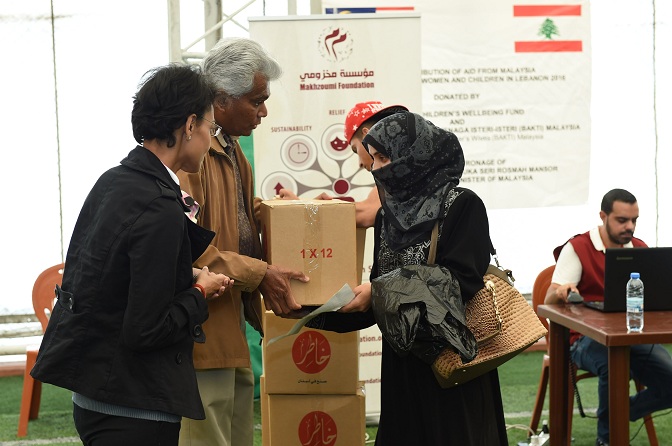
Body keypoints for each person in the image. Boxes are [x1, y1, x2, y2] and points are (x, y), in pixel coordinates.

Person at [30, 64, 233, 445]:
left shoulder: (113, 181)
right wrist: (200, 292)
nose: (211, 139)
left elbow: (109, 272)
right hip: (134, 408)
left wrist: (184, 273)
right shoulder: (160, 208)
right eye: (211, 126)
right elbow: (146, 329)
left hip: (93, 393)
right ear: (190, 125)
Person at [304, 111, 508, 445]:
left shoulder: (462, 206)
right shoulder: (387, 218)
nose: (376, 168)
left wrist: (380, 291)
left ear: (415, 155)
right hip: (403, 370)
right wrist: (309, 310)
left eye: (384, 158)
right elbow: (375, 301)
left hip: (454, 365)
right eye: (374, 158)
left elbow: (459, 282)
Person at [176, 37, 309, 446]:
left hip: (231, 321)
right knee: (207, 436)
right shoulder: (191, 156)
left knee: (234, 435)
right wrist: (260, 273)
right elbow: (188, 247)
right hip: (202, 328)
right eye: (257, 101)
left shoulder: (232, 150)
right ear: (220, 98)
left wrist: (289, 214)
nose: (263, 112)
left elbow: (238, 216)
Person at [545, 188, 672, 446]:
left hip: (632, 336)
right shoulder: (578, 247)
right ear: (603, 216)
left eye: (634, 220)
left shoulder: (640, 249)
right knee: (612, 367)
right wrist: (561, 292)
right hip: (583, 339)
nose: (630, 226)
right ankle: (607, 439)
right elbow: (548, 300)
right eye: (622, 220)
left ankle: (620, 412)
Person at [277, 101, 407, 228]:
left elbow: (365, 214)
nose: (360, 163)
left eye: (355, 149)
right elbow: (366, 208)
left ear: (367, 136)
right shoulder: (402, 171)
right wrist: (306, 206)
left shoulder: (403, 175)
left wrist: (300, 207)